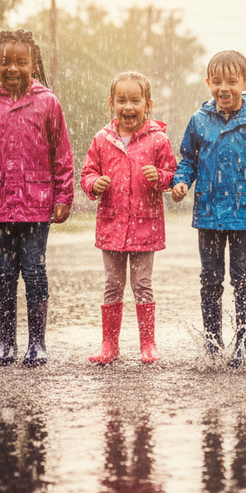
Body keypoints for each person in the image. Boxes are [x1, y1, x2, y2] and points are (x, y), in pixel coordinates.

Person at [0, 29, 73, 368]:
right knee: (4, 273)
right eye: (5, 62)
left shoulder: (48, 102)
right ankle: (6, 343)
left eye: (21, 62)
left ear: (33, 63)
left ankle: (37, 342)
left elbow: (61, 154)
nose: (12, 68)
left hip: (37, 204)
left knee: (34, 272)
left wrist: (63, 196)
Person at [171, 51, 246, 366]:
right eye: (218, 81)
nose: (224, 88)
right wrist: (181, 182)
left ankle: (244, 342)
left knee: (242, 277)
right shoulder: (199, 121)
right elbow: (188, 159)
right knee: (210, 278)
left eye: (232, 81)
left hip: (244, 212)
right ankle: (212, 343)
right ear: (208, 83)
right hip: (208, 212)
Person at [81, 71, 177, 365]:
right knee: (112, 283)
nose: (128, 106)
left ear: (148, 104)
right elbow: (88, 172)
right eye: (121, 100)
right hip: (112, 225)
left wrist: (160, 177)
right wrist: (93, 184)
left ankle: (148, 344)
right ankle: (109, 345)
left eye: (135, 100)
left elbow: (173, 175)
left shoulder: (158, 140)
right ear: (112, 103)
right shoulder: (102, 139)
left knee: (142, 283)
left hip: (144, 226)